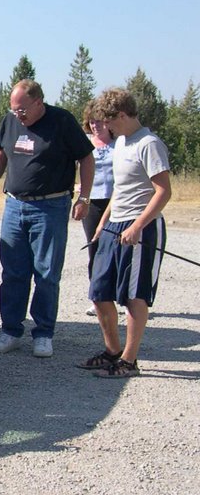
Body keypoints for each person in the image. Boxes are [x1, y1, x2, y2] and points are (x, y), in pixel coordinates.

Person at [0, 79, 95, 358]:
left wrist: (84, 198)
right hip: (15, 206)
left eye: (22, 110)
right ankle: (10, 331)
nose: (18, 116)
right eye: (13, 110)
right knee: (13, 272)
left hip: (51, 207)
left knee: (46, 273)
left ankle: (43, 334)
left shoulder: (62, 121)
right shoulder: (10, 121)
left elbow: (87, 159)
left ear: (39, 103)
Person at [77, 88, 172, 378]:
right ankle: (112, 352)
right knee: (99, 291)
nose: (105, 128)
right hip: (114, 224)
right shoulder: (121, 144)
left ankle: (129, 362)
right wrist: (103, 223)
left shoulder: (149, 143)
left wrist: (137, 225)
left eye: (109, 122)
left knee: (134, 297)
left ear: (121, 115)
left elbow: (164, 191)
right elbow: (119, 190)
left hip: (140, 227)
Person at [80, 101, 117, 314]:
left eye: (99, 123)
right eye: (91, 123)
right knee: (94, 248)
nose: (95, 127)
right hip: (93, 201)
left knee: (116, 249)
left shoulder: (119, 144)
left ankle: (116, 294)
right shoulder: (85, 143)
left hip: (115, 202)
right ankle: (97, 295)